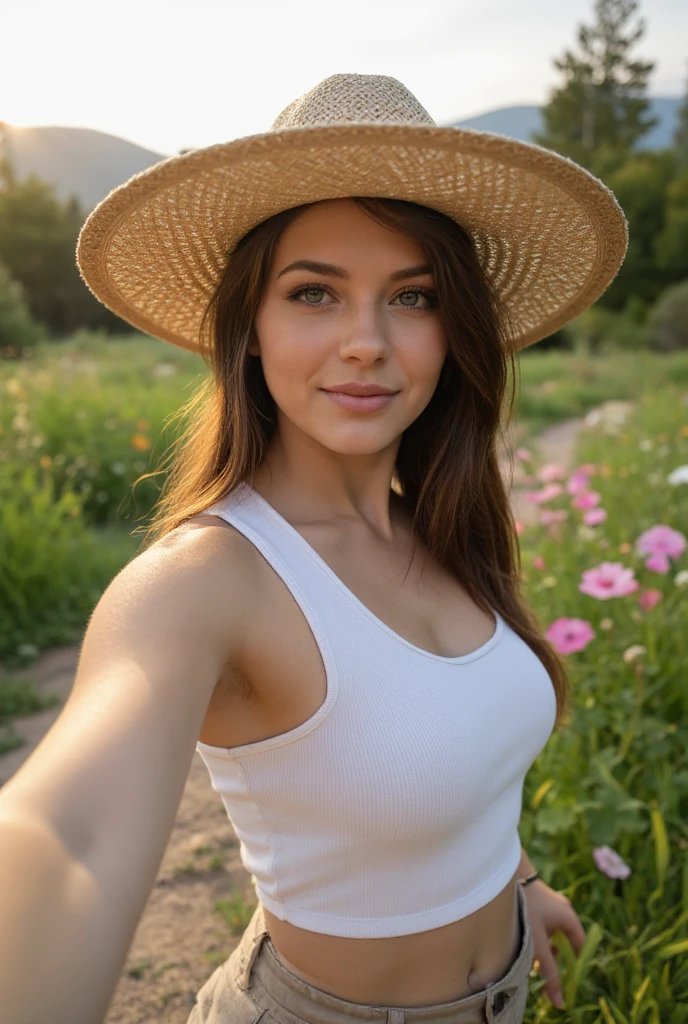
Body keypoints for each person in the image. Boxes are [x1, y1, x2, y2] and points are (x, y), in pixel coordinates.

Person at [0, 74, 628, 1024]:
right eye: (314, 293)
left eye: (412, 296)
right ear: (249, 326)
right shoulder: (207, 580)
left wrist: (517, 883)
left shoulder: (444, 530)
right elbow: (66, 837)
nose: (368, 342)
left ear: (452, 328)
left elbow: (464, 745)